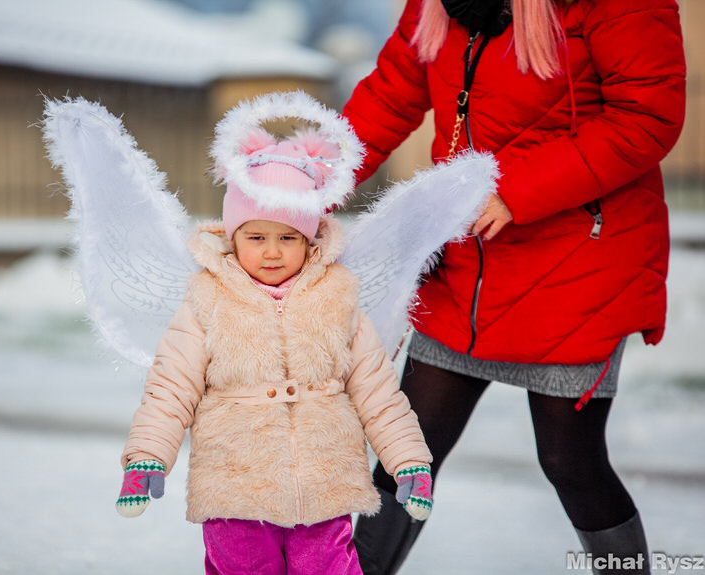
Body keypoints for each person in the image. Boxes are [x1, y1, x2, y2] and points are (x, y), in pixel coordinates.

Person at [341, 0, 686, 573]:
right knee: (408, 449)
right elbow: (392, 91)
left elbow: (647, 115)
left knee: (569, 460)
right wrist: (304, 184)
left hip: (578, 262)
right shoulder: (440, 5)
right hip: (467, 259)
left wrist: (517, 189)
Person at [115, 97, 434, 575]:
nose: (271, 252)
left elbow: (377, 392)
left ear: (310, 240)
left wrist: (408, 461)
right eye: (255, 237)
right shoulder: (207, 300)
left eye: (287, 238)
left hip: (323, 486)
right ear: (232, 237)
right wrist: (146, 458)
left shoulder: (337, 298)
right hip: (235, 486)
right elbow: (171, 388)